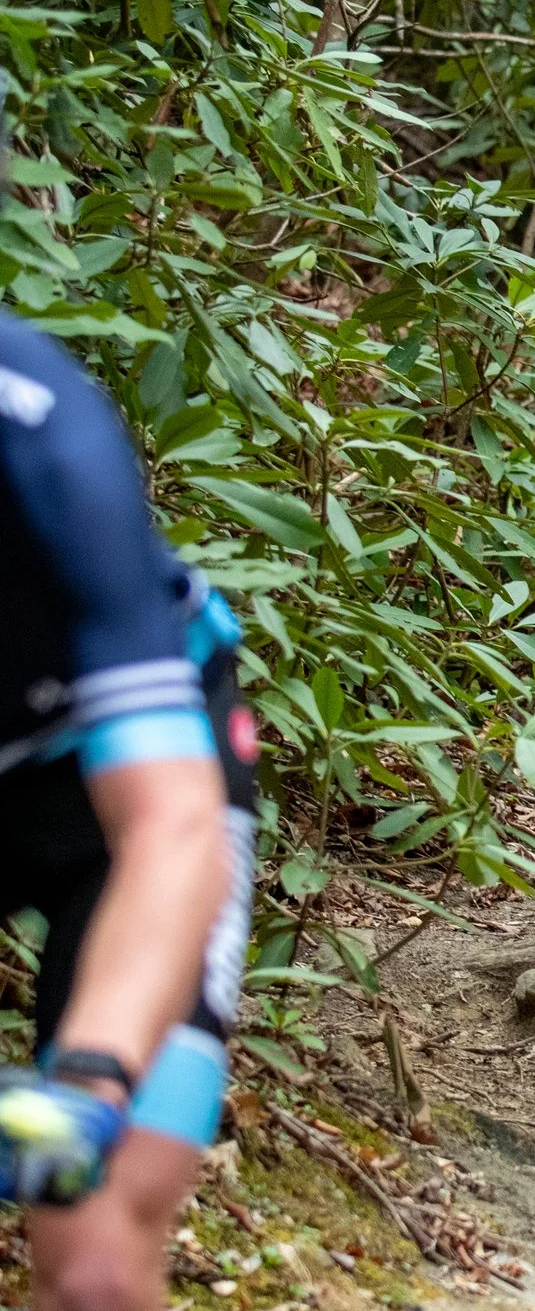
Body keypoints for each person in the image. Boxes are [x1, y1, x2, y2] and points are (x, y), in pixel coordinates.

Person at [0, 309, 259, 1311]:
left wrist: (93, 1078)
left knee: (96, 1259)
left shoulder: (44, 429)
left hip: (124, 803)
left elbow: (169, 827)